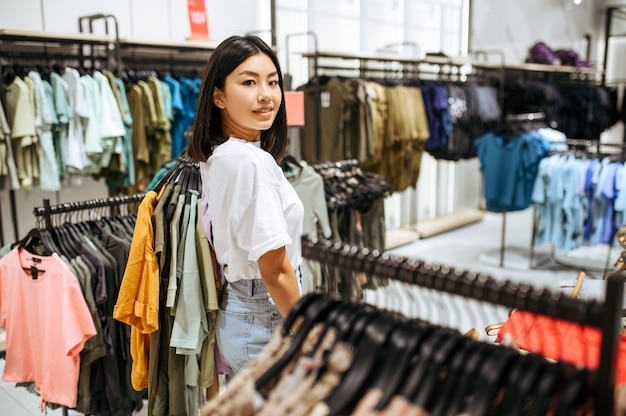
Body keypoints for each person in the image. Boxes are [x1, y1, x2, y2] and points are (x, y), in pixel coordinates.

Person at [187, 35, 304, 376]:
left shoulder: (221, 155)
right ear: (218, 95)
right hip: (265, 316)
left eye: (272, 82)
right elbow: (275, 269)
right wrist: (308, 330)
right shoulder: (250, 163)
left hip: (245, 313)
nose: (265, 94)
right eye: (249, 82)